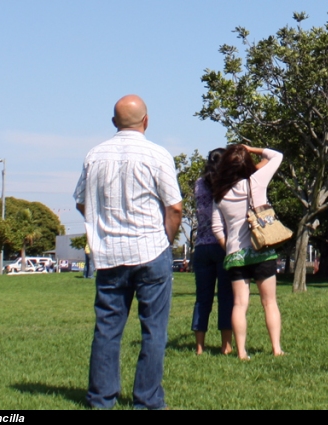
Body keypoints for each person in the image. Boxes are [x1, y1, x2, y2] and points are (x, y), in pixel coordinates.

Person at [73, 95, 182, 410]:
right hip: (151, 249)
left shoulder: (95, 155)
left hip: (109, 253)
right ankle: (147, 400)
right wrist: (167, 238)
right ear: (146, 120)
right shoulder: (157, 154)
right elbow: (174, 206)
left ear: (113, 123)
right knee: (153, 330)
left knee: (107, 328)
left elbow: (81, 200)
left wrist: (101, 224)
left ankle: (101, 398)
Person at [211, 144, 285, 361]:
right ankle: (276, 348)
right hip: (261, 250)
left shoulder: (219, 194)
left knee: (240, 304)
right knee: (269, 302)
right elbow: (276, 155)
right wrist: (250, 148)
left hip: (235, 255)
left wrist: (230, 249)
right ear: (246, 164)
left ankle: (242, 352)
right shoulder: (256, 182)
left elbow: (217, 228)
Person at [192, 148, 233, 356]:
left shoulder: (199, 184)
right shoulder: (227, 184)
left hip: (201, 246)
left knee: (202, 298)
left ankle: (200, 346)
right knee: (226, 296)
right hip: (223, 244)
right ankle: (226, 345)